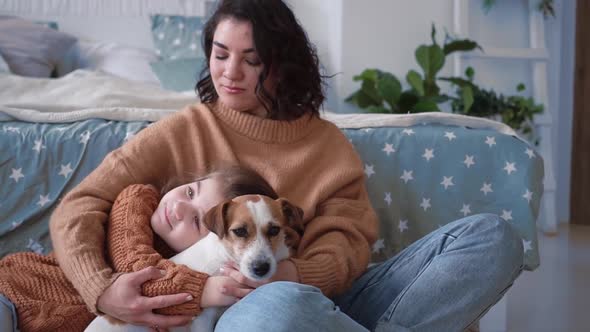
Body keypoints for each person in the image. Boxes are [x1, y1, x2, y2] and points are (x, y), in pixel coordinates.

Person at [46, 0, 524, 331]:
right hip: (242, 313)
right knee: (276, 310)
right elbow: (79, 204)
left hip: (334, 300)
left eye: (251, 60)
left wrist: (295, 276)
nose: (230, 73)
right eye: (220, 54)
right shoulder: (185, 128)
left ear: (282, 63)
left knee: (491, 237)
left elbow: (348, 245)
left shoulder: (326, 143)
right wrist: (102, 290)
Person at [0, 166, 279, 332]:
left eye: (197, 220)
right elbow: (132, 265)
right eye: (191, 192)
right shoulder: (138, 201)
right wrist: (201, 290)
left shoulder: (188, 262)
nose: (179, 207)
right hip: (15, 292)